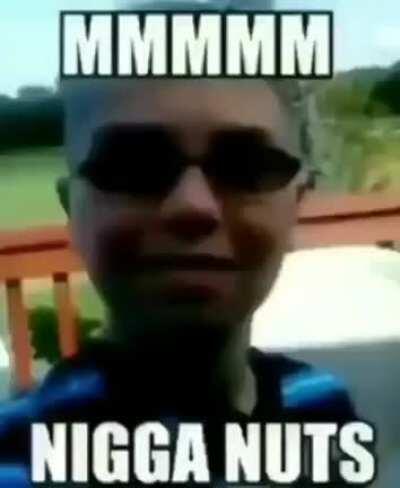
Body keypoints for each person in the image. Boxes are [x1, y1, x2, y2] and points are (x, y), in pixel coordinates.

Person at [0, 7, 357, 488]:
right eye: (133, 165)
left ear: (297, 206)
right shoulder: (16, 457)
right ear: (73, 210)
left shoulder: (322, 406)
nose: (193, 205)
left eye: (245, 166)